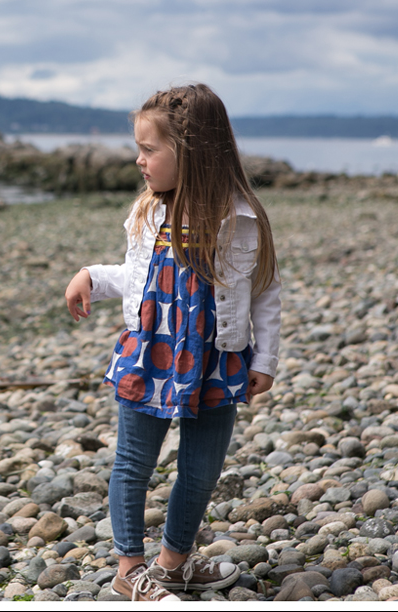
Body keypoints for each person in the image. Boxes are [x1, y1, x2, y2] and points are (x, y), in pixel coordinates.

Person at [64, 83, 281, 602]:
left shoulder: (242, 218)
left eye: (148, 150)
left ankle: (172, 563)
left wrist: (266, 359)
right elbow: (138, 277)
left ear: (192, 152)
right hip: (150, 353)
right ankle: (128, 568)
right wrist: (91, 276)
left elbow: (264, 290)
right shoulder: (148, 211)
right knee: (134, 464)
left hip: (216, 357)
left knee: (202, 470)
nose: (139, 161)